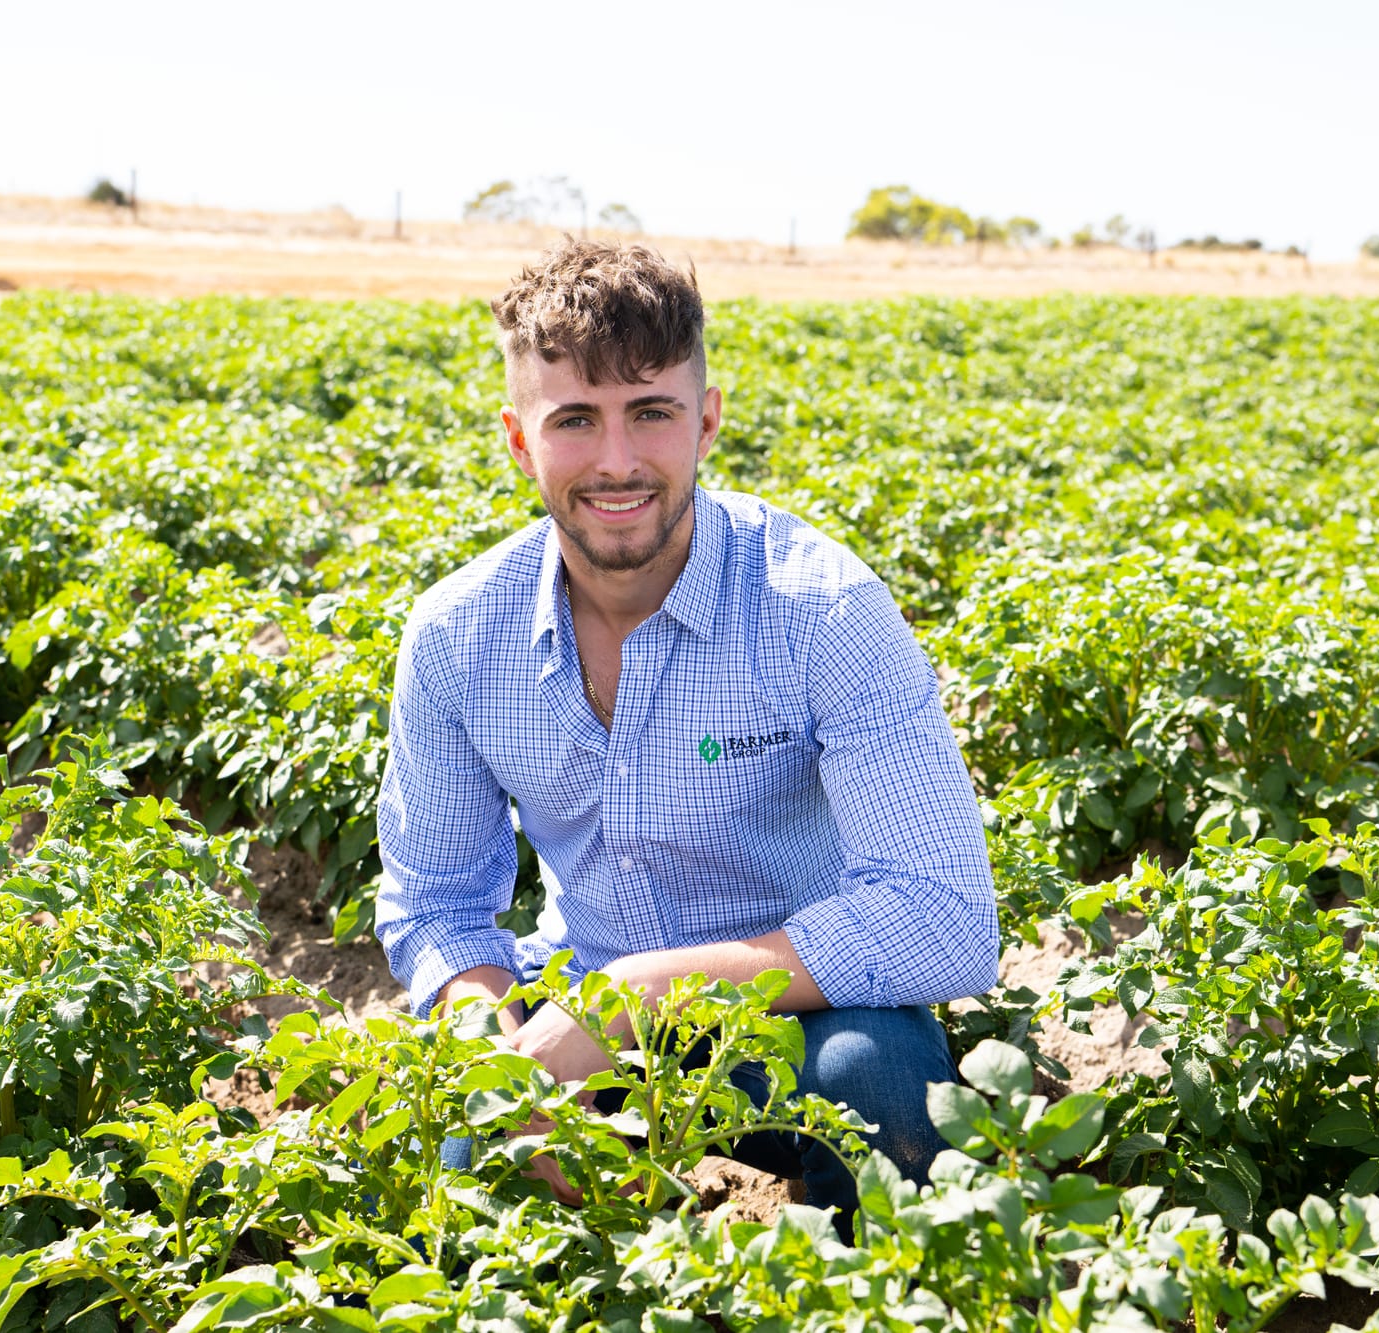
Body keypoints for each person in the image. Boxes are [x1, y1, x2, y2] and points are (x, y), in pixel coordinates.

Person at [373, 238, 997, 1225]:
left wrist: (636, 991)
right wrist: (506, 1060)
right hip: (580, 1028)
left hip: (798, 1010)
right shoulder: (456, 634)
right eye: (574, 419)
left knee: (880, 1091)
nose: (615, 461)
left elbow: (940, 915)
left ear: (704, 421)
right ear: (517, 437)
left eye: (650, 413)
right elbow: (438, 905)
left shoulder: (820, 607)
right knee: (473, 1138)